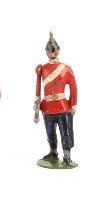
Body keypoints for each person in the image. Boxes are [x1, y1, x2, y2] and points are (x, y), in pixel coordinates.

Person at [34, 32, 77, 167]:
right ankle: (53, 152)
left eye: (55, 49)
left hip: (62, 106)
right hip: (47, 106)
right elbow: (38, 88)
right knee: (50, 132)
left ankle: (67, 155)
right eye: (50, 50)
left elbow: (73, 87)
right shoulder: (42, 68)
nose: (53, 52)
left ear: (58, 50)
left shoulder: (65, 68)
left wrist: (73, 105)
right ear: (46, 52)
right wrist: (36, 107)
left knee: (65, 132)